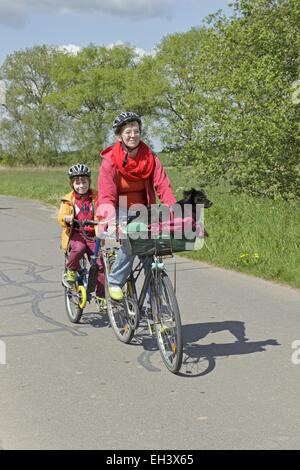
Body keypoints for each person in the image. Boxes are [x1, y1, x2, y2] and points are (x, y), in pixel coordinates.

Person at [97, 111, 176, 301]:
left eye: (136, 131)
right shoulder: (110, 161)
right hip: (119, 208)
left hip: (144, 208)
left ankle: (156, 312)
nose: (133, 135)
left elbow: (163, 186)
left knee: (152, 253)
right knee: (132, 238)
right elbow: (106, 194)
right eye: (128, 132)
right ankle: (115, 281)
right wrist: (110, 220)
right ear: (119, 136)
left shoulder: (150, 158)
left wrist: (173, 210)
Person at [57, 163, 105, 306]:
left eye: (84, 182)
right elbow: (61, 216)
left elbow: (104, 210)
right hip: (76, 232)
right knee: (78, 249)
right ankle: (71, 270)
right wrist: (66, 218)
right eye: (77, 183)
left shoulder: (96, 197)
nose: (81, 186)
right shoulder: (68, 200)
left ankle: (101, 297)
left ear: (89, 182)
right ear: (72, 184)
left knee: (99, 266)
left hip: (93, 235)